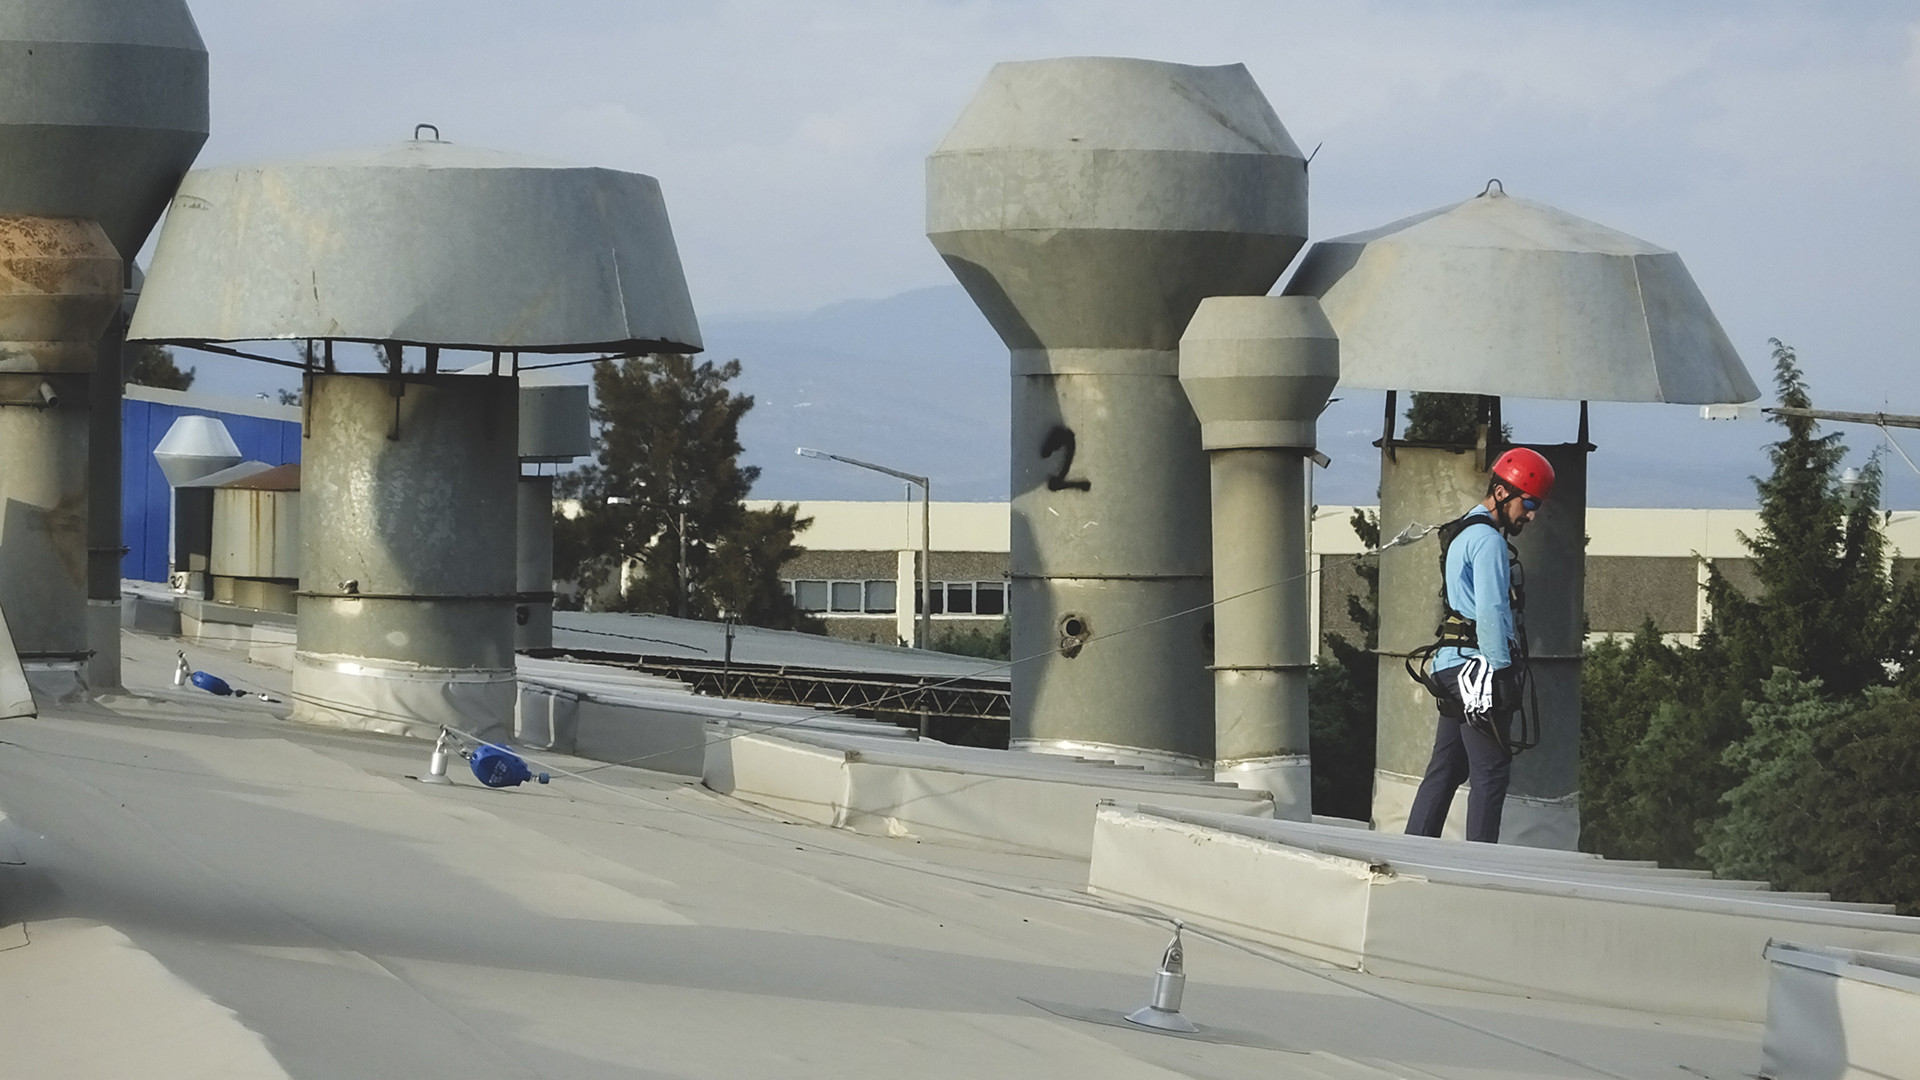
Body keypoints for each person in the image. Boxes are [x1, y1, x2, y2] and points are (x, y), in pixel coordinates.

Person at [1404, 447, 1554, 843]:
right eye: (1531, 502)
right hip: (1478, 669)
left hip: (1453, 665)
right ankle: (1480, 869)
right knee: (1491, 771)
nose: (1532, 514)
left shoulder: (1463, 531)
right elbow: (1490, 609)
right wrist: (1501, 669)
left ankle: (1413, 848)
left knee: (1448, 768)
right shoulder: (1488, 542)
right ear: (1503, 494)